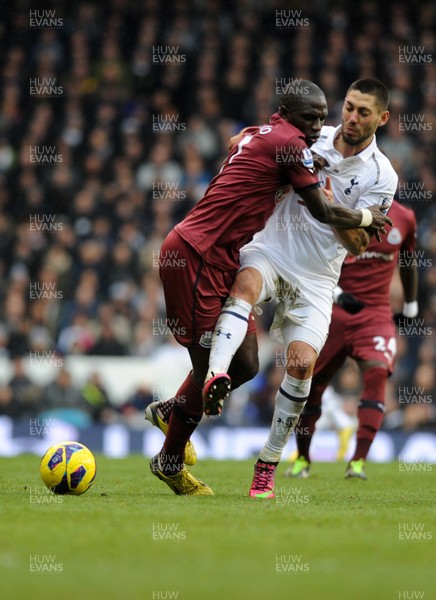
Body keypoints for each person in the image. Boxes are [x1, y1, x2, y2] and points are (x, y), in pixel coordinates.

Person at [146, 80, 391, 496]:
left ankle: (207, 429)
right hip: (257, 253)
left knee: (274, 366)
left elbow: (359, 245)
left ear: (381, 119)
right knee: (227, 327)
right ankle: (170, 457)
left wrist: (345, 214)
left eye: (362, 112)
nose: (347, 118)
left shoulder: (382, 174)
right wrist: (348, 209)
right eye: (348, 107)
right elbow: (252, 142)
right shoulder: (307, 140)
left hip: (315, 277)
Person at [286, 198, 417, 480]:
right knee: (311, 384)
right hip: (332, 310)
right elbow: (309, 261)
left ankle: (357, 462)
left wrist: (411, 307)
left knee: (377, 373)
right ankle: (302, 460)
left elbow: (408, 260)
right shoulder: (340, 211)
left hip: (375, 313)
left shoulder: (404, 218)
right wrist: (336, 294)